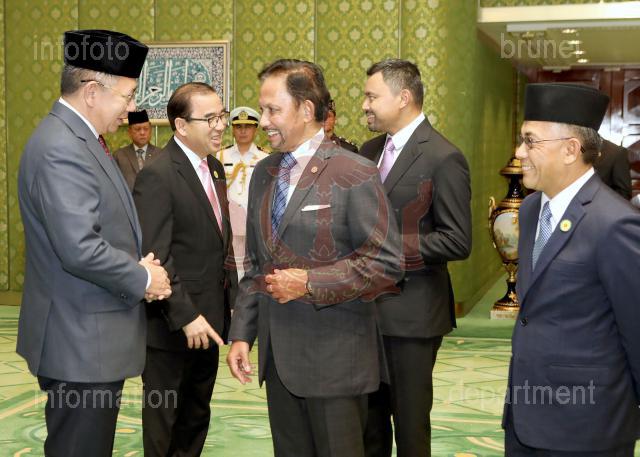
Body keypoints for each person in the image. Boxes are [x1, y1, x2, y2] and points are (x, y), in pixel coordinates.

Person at [226, 59, 403, 457]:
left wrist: (309, 283)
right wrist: (242, 334)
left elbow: (386, 262)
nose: (263, 121)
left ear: (306, 110)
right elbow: (256, 264)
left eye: (273, 110)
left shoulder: (354, 171)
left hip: (335, 364)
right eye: (262, 109)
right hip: (279, 363)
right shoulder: (264, 173)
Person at [16, 29, 171, 457]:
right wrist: (143, 277)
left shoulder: (79, 139)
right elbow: (79, 247)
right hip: (79, 342)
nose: (131, 108)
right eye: (127, 95)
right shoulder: (60, 148)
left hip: (88, 339)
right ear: (91, 92)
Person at [504, 82, 640, 456]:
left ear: (570, 150)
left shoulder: (615, 224)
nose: (519, 152)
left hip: (587, 428)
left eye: (530, 141)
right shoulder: (531, 209)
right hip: (524, 416)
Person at [360, 59, 472, 457]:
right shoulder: (369, 151)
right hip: (364, 312)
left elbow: (457, 240)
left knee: (410, 429)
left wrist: (389, 247)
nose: (364, 105)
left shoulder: (443, 156)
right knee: (368, 428)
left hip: (413, 316)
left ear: (403, 97)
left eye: (372, 96)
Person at [133, 82, 237, 457]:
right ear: (181, 125)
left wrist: (231, 303)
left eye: (221, 115)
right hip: (172, 325)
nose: (220, 125)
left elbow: (219, 243)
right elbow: (155, 255)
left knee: (195, 416)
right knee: (165, 422)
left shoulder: (214, 167)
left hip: (210, 321)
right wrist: (186, 315)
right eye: (209, 118)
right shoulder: (158, 174)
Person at [216, 106, 268, 279]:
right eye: (238, 127)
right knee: (231, 263)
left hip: (254, 220)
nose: (243, 131)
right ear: (233, 129)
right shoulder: (220, 156)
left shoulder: (265, 158)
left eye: (248, 127)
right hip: (229, 221)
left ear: (255, 129)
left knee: (255, 263)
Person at [113, 109, 163, 191]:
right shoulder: (119, 156)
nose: (142, 133)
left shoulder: (161, 154)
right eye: (137, 129)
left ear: (150, 130)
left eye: (146, 129)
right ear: (129, 132)